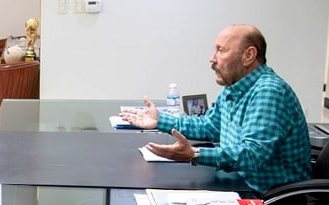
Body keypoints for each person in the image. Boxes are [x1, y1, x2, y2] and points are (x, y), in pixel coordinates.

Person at [119, 24, 311, 194]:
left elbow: (252, 155)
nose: (212, 59)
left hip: (271, 199)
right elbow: (210, 126)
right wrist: (159, 121)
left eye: (221, 50)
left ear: (248, 55)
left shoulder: (269, 92)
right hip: (238, 183)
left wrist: (195, 154)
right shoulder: (234, 88)